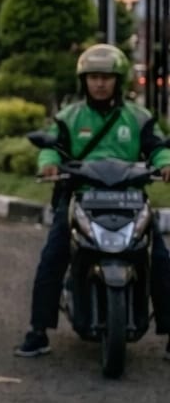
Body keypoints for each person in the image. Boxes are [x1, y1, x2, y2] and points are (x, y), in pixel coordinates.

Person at [15, 43, 170, 359]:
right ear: (83, 81)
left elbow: (157, 147)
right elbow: (52, 147)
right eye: (93, 77)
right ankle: (38, 332)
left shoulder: (138, 118)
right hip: (82, 197)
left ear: (118, 80)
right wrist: (48, 163)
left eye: (106, 77)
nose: (100, 83)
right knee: (53, 256)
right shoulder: (69, 117)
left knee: (161, 260)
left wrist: (166, 162)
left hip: (130, 199)